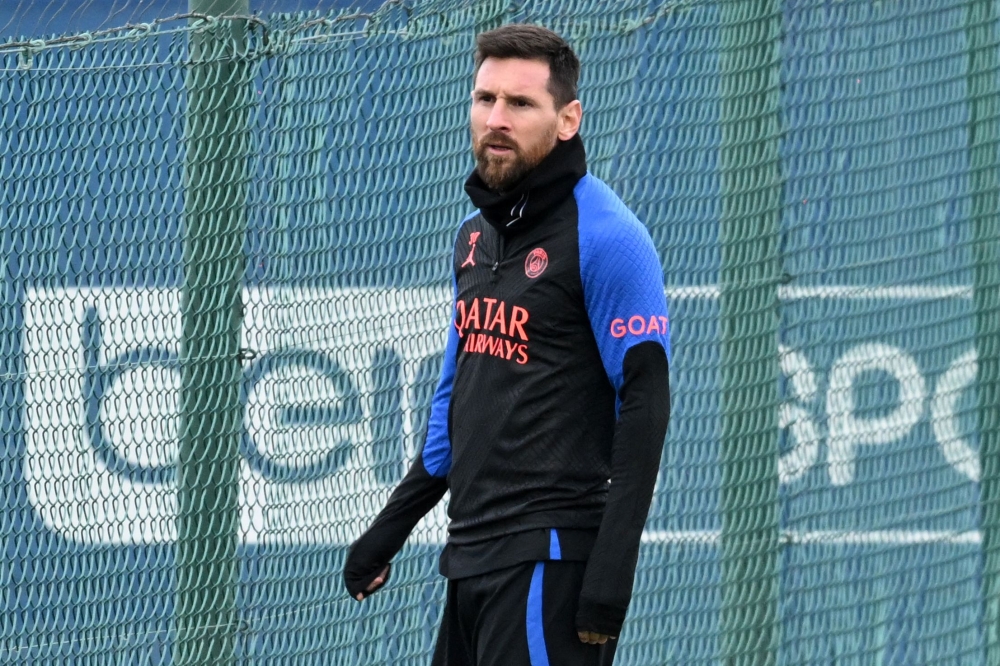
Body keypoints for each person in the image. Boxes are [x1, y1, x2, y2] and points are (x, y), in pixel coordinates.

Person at [344, 23, 671, 666]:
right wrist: (391, 527)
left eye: (520, 104)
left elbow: (646, 406)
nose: (497, 118)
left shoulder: (607, 236)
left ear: (568, 118)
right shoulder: (474, 237)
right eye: (485, 98)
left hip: (550, 562)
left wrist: (610, 577)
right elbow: (455, 397)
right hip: (470, 558)